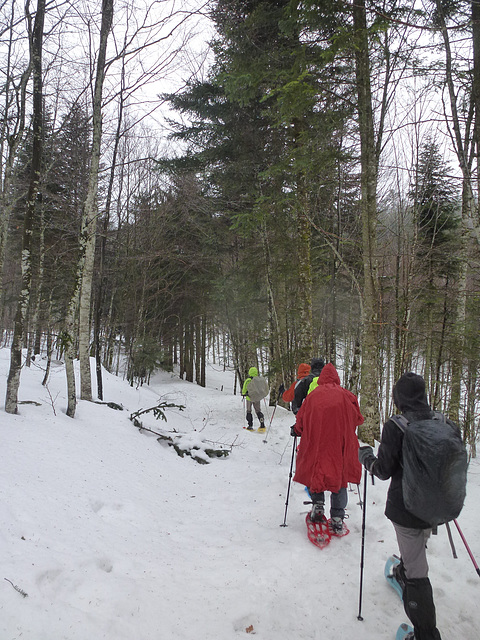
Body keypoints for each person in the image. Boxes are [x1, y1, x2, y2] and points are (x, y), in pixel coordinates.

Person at [358, 372, 444, 640]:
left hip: (406, 510)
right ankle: (406, 569)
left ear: (399, 398)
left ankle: (426, 634)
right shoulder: (442, 421)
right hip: (435, 508)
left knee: (417, 571)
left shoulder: (397, 426)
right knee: (417, 548)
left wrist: (366, 457)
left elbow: (383, 470)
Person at [292, 362, 364, 533]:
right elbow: (358, 420)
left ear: (322, 378)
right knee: (340, 478)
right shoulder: (348, 396)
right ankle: (337, 517)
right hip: (340, 445)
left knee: (316, 473)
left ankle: (317, 506)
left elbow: (301, 420)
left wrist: (296, 430)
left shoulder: (313, 395)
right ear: (337, 378)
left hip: (317, 443)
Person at [242, 366, 266, 430]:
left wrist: (244, 393)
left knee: (249, 411)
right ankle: (262, 424)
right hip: (257, 398)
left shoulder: (248, 380)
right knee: (258, 411)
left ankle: (250, 425)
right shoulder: (258, 381)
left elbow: (244, 389)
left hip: (249, 398)